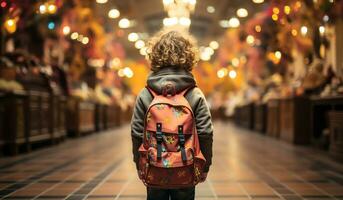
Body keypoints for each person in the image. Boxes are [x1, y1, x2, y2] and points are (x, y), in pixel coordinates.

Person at [131, 30, 213, 200]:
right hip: (186, 166)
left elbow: (137, 132)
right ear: (189, 57)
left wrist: (139, 164)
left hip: (154, 166)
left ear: (155, 56)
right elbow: (205, 132)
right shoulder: (194, 93)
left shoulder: (146, 93)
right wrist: (205, 165)